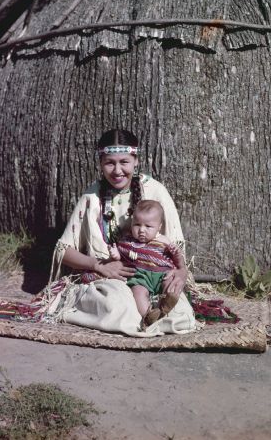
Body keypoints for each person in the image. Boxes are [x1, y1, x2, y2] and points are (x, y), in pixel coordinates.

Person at [49, 129, 197, 337]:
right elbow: (63, 252)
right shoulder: (92, 196)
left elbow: (176, 247)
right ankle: (142, 323)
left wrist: (180, 274)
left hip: (154, 274)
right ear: (100, 163)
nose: (117, 170)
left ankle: (151, 318)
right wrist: (100, 266)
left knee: (181, 314)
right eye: (110, 163)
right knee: (118, 307)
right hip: (109, 281)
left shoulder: (155, 191)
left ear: (136, 160)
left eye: (124, 162)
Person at [109, 199, 185, 327]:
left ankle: (167, 302)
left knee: (170, 284)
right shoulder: (128, 241)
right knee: (138, 292)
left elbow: (178, 262)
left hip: (162, 275)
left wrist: (176, 254)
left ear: (159, 227)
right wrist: (115, 254)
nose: (141, 230)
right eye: (137, 225)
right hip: (140, 277)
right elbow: (121, 257)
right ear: (131, 223)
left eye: (148, 226)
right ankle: (148, 315)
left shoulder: (164, 241)